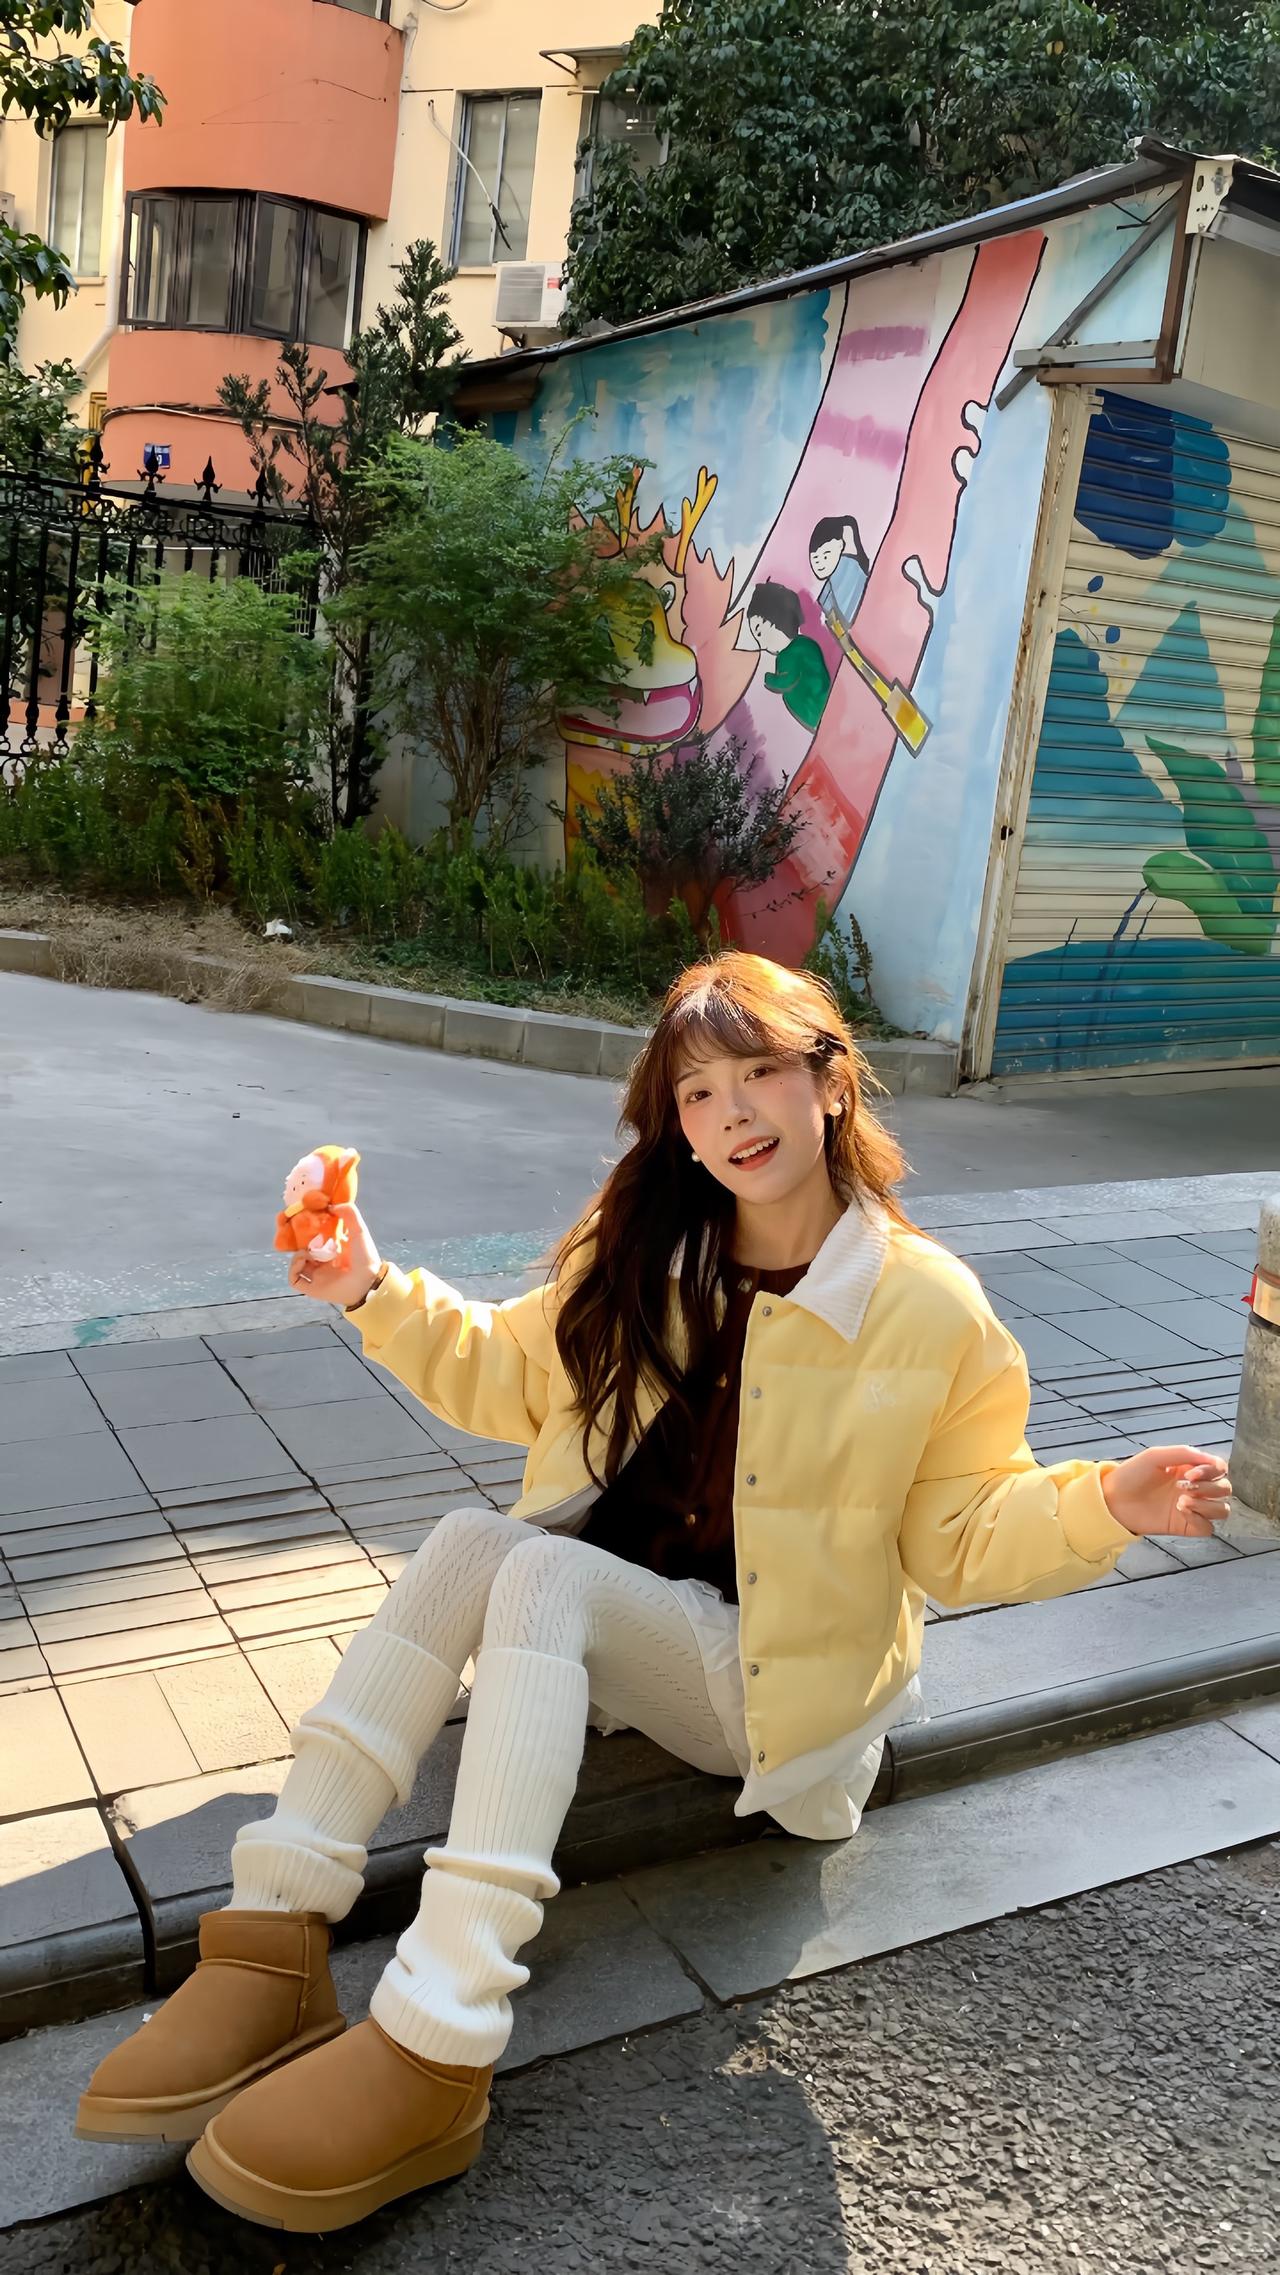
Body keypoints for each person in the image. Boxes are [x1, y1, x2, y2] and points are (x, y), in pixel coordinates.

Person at [76, 953, 1232, 2235]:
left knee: (540, 1571)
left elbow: (957, 1533)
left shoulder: (921, 1304)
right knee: (471, 1540)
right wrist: (367, 1284)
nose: (731, 1113)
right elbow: (504, 1374)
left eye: (759, 1072)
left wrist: (1101, 1503)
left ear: (829, 1083)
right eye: (695, 1092)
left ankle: (437, 2034)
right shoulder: (642, 1250)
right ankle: (272, 1938)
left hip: (771, 1687)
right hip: (625, 1627)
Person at [748, 579, 832, 730]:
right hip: (816, 709)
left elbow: (787, 681)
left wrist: (768, 678)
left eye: (759, 633)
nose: (761, 645)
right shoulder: (802, 645)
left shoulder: (792, 652)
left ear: (775, 621)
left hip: (815, 707)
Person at [810, 512, 871, 649]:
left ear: (840, 546)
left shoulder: (849, 567)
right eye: (815, 559)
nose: (820, 564)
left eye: (825, 556)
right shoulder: (826, 591)